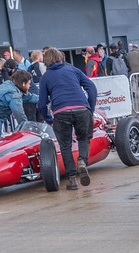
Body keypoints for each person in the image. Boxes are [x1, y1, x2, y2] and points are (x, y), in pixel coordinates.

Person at [37, 47, 97, 190]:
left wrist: (49, 120)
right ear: (61, 57)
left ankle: (72, 180)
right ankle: (82, 161)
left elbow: (41, 104)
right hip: (81, 108)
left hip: (61, 112)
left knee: (65, 146)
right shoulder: (73, 70)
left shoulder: (45, 77)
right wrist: (90, 109)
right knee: (84, 138)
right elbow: (91, 88)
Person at [0, 69, 37, 142]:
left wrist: (44, 99)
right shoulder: (13, 94)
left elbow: (27, 97)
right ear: (23, 83)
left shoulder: (10, 84)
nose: (29, 86)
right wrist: (27, 128)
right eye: (29, 84)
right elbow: (18, 112)